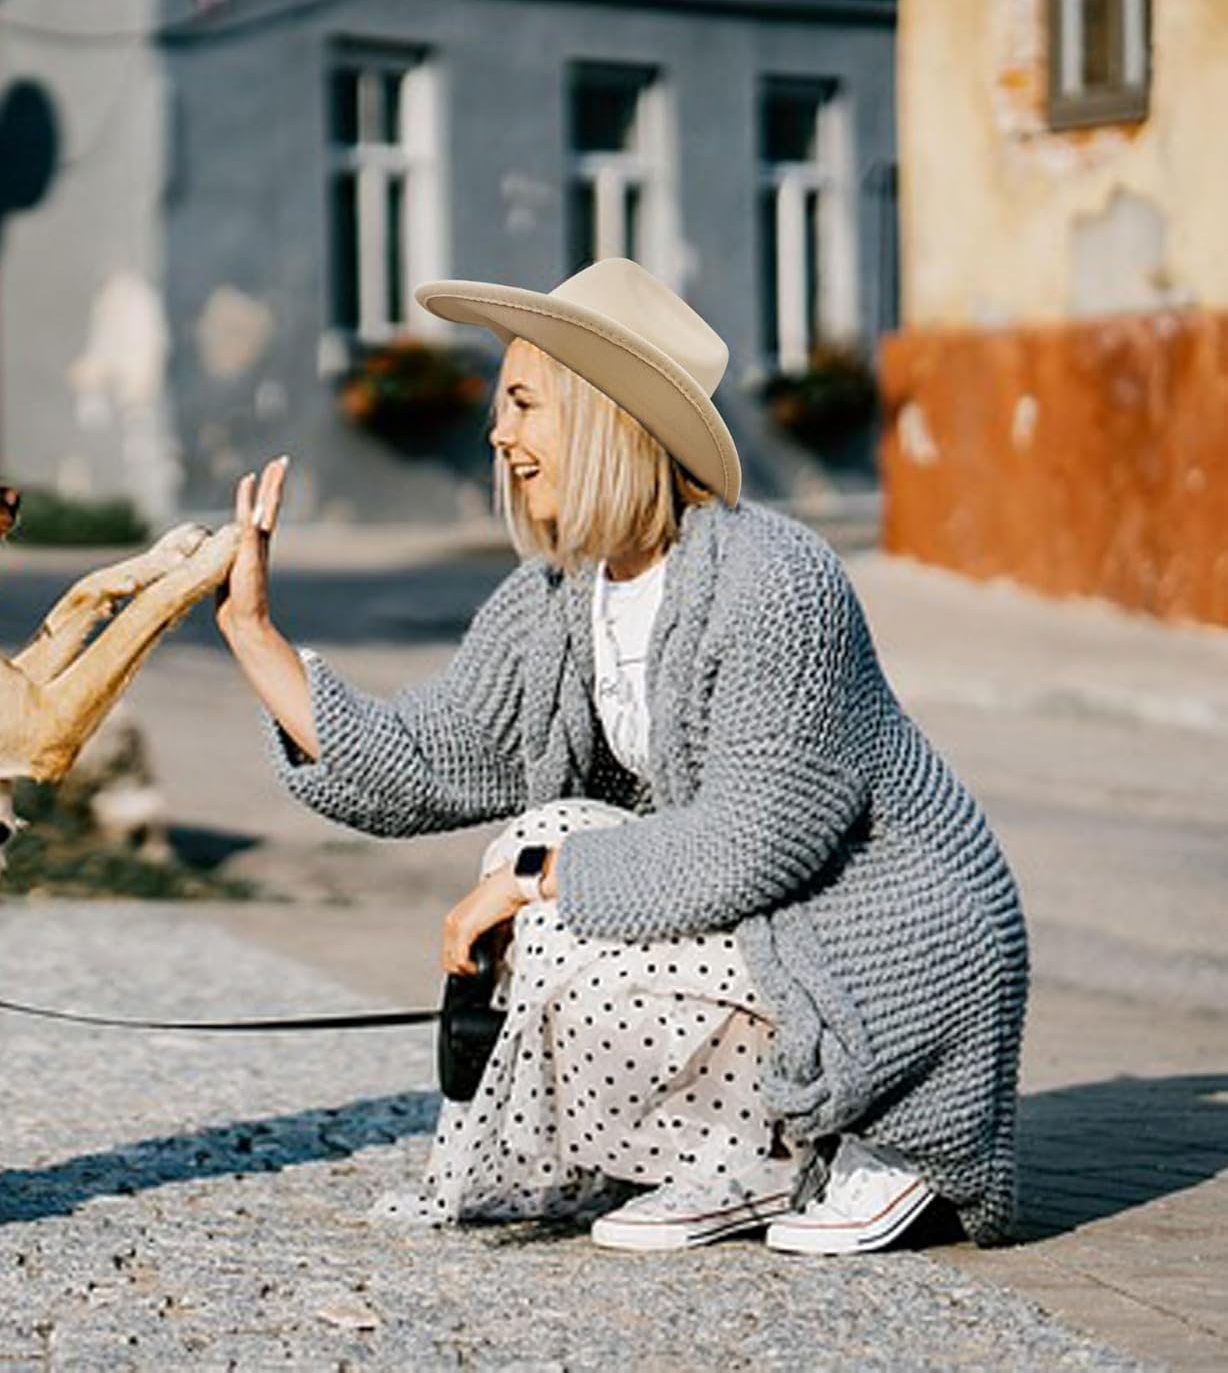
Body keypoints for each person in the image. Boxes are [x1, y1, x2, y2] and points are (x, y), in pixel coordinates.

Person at [214, 258, 1028, 1255]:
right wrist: (254, 634)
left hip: (887, 950)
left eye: (523, 404)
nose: (498, 434)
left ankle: (864, 1140)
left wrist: (533, 880)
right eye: (500, 407)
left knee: (547, 875)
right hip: (764, 929)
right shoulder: (562, 597)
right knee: (544, 842)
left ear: (605, 415)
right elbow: (424, 759)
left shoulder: (776, 580)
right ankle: (735, 1158)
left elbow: (751, 843)